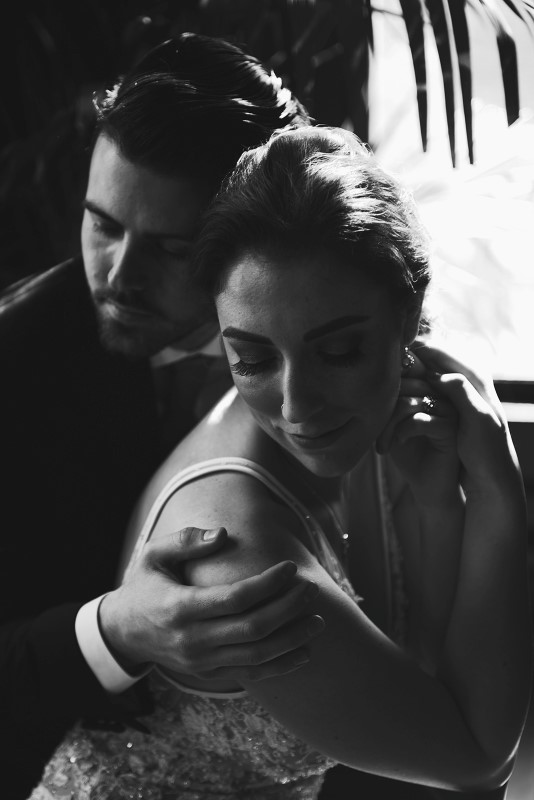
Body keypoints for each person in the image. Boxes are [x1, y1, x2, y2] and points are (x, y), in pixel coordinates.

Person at [29, 126, 533, 799]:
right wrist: (501, 498)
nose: (297, 407)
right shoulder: (235, 556)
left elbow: (423, 676)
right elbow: (474, 765)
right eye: (254, 359)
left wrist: (440, 506)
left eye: (338, 352)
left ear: (406, 319)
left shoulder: (387, 432)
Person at [0, 33, 322, 799]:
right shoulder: (14, 363)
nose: (116, 275)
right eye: (102, 224)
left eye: (169, 248)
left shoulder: (339, 341)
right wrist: (112, 631)